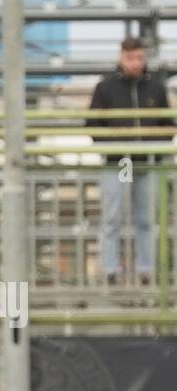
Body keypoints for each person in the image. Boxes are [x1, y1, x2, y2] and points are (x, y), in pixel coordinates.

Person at [90, 37, 175, 288]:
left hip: (145, 161)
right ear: (120, 57)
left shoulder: (156, 87)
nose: (135, 63)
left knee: (146, 218)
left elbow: (168, 125)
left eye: (139, 57)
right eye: (130, 57)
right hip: (116, 160)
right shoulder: (105, 87)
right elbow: (93, 125)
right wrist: (114, 144)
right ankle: (110, 269)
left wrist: (151, 144)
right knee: (111, 217)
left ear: (145, 57)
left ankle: (146, 269)